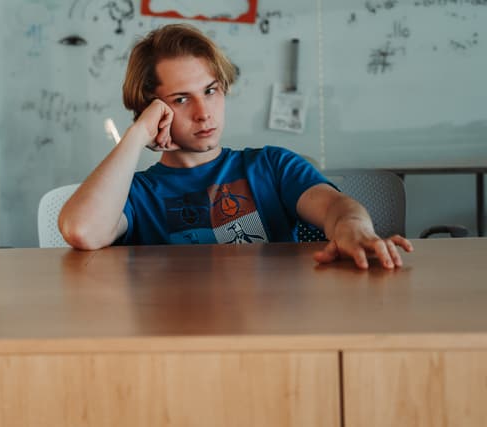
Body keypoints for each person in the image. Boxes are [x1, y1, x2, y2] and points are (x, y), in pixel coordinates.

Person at [59, 23, 413, 269]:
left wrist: (355, 228)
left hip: (267, 327)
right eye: (181, 99)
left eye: (211, 91)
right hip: (177, 332)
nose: (203, 113)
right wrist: (137, 133)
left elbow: (337, 208)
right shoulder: (137, 194)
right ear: (152, 111)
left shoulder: (271, 166)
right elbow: (82, 230)